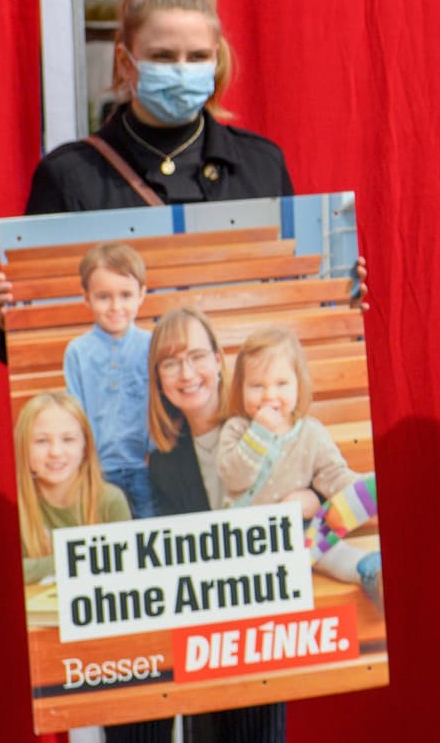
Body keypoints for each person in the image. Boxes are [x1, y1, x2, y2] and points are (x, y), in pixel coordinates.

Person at [0, 0, 293, 364]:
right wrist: (11, 321)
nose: (183, 70)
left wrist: (336, 292)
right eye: (163, 57)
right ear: (125, 62)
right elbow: (32, 354)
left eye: (198, 56)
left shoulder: (261, 166)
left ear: (216, 58)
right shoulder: (71, 176)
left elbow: (290, 310)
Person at [146, 306, 290, 739]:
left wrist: (305, 497)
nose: (186, 373)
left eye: (195, 356)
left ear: (217, 360)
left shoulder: (265, 424)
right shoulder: (163, 464)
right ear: (158, 380)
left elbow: (318, 483)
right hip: (204, 641)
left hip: (265, 626)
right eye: (170, 363)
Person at [219, 325, 383, 606]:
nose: (270, 395)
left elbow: (332, 475)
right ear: (241, 389)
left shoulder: (311, 432)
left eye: (281, 384)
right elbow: (235, 479)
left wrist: (360, 488)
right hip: (246, 537)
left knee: (335, 552)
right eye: (257, 386)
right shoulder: (236, 430)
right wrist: (259, 434)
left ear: (298, 385)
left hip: (302, 531)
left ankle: (374, 573)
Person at [61, 242, 156, 519]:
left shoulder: (152, 345)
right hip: (100, 472)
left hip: (145, 469)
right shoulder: (77, 352)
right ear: (86, 298)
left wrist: (154, 453)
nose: (116, 306)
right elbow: (74, 413)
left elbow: (158, 405)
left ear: (141, 295)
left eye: (126, 295)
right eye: (104, 297)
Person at [16, 391, 132, 584]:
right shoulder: (12, 507)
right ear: (23, 447)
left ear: (84, 447)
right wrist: (78, 558)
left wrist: (42, 565)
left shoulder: (110, 500)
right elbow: (2, 573)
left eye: (68, 439)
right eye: (42, 441)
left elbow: (126, 566)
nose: (56, 452)